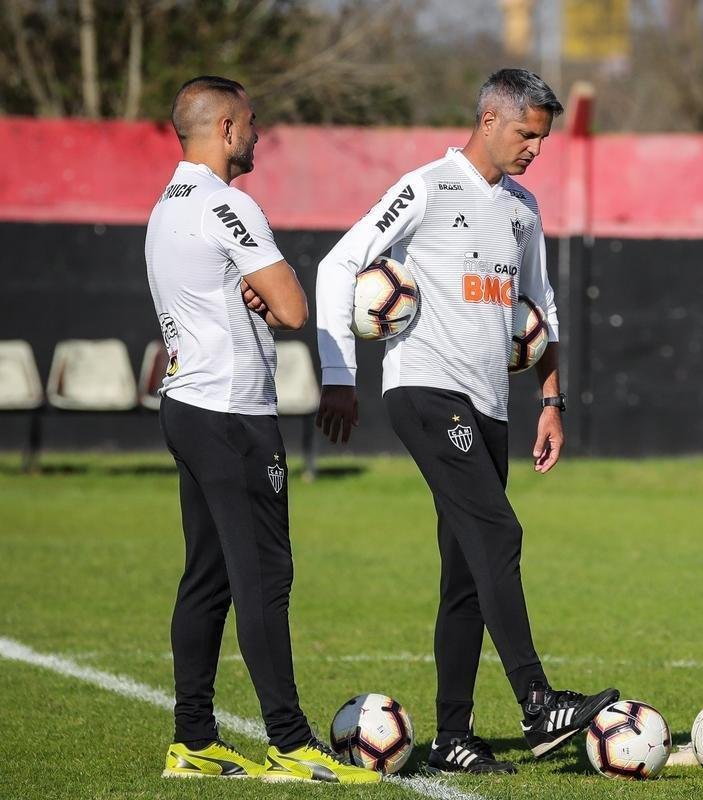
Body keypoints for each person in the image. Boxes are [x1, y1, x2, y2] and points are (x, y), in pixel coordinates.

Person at [314, 68, 618, 774]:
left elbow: (540, 314)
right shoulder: (425, 187)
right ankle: (539, 701)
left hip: (490, 407)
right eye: (525, 134)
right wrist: (338, 376)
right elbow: (339, 265)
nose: (534, 149)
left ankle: (453, 735)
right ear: (488, 121)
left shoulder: (524, 209)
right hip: (424, 390)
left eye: (542, 139)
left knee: (466, 572)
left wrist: (550, 401)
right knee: (499, 532)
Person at [146, 75, 379, 784]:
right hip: (232, 414)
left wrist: (256, 291)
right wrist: (268, 290)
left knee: (207, 578)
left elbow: (257, 297)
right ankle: (289, 741)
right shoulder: (227, 203)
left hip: (187, 405)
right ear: (222, 129)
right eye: (249, 123)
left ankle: (192, 739)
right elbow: (294, 306)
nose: (257, 135)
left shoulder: (165, 206)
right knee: (264, 576)